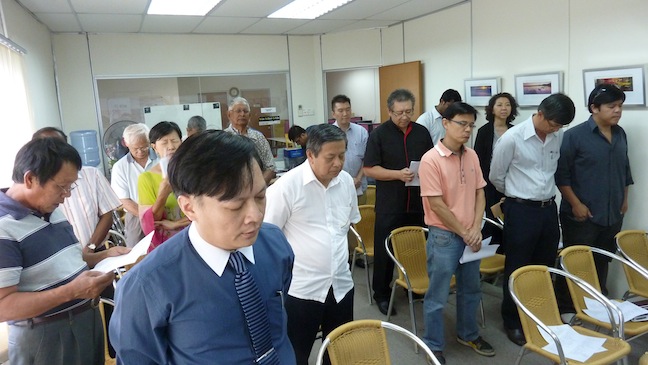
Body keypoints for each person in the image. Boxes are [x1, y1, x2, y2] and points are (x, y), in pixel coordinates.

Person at [110, 131, 296, 365]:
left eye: (260, 197)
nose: (255, 216)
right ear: (189, 208)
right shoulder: (147, 286)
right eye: (235, 205)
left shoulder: (274, 244)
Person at [0, 138, 127, 365]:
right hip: (45, 335)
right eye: (61, 187)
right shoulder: (4, 227)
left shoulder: (51, 209)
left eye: (71, 186)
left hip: (84, 320)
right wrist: (71, 292)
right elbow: (3, 307)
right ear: (30, 179)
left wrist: (103, 256)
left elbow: (65, 262)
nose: (67, 195)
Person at [265, 124, 359, 365]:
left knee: (339, 352)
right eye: (331, 157)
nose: (338, 163)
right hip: (302, 289)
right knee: (297, 353)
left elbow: (346, 227)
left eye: (342, 155)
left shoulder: (346, 182)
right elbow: (267, 237)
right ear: (310, 154)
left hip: (341, 284)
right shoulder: (287, 187)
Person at [489, 93, 575, 346]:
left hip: (548, 209)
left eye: (560, 126)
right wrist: (518, 196)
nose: (556, 129)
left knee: (544, 266)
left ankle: (540, 315)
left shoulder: (556, 137)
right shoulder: (511, 139)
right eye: (553, 124)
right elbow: (496, 177)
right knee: (517, 266)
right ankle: (513, 320)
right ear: (540, 113)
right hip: (520, 209)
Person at [419, 102, 495, 364]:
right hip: (444, 238)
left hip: (470, 236)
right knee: (438, 295)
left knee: (471, 289)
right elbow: (437, 204)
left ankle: (468, 333)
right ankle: (433, 344)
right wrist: (465, 231)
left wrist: (475, 228)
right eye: (461, 123)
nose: (467, 129)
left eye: (471, 125)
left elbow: (480, 193)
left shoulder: (472, 155)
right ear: (445, 123)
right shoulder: (431, 160)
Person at [555, 84, 632, 315]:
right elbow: (562, 175)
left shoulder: (620, 134)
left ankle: (596, 305)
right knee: (575, 262)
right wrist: (576, 204)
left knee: (601, 260)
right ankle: (567, 307)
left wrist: (624, 199)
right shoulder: (573, 136)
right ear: (594, 108)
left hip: (612, 213)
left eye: (620, 106)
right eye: (612, 106)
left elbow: (625, 170)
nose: (617, 111)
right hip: (581, 214)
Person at [364, 88, 434, 315]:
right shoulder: (379, 135)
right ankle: (382, 294)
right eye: (399, 112)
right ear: (389, 111)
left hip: (416, 201)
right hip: (390, 202)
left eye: (409, 111)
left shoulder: (422, 132)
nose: (404, 116)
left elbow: (430, 161)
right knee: (385, 251)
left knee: (415, 247)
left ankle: (412, 286)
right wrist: (397, 174)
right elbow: (368, 169)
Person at [32, 127, 123, 252]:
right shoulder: (36, 186)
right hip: (64, 259)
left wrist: (91, 247)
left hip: (96, 250)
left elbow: (107, 215)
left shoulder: (92, 174)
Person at [474, 93, 519, 246]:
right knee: (491, 221)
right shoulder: (484, 131)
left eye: (507, 104)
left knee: (510, 221)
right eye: (499, 105)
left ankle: (505, 255)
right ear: (492, 109)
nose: (503, 108)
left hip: (512, 183)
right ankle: (489, 258)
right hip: (488, 184)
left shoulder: (516, 131)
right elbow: (478, 161)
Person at [137, 121, 190, 251]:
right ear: (154, 147)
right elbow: (151, 222)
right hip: (167, 246)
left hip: (196, 238)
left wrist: (176, 224)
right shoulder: (146, 178)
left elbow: (206, 210)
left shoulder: (192, 171)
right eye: (164, 142)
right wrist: (163, 193)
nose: (171, 146)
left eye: (174, 140)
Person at [111, 123, 157, 247]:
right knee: (137, 254)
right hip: (136, 215)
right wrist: (148, 217)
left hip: (165, 211)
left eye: (144, 147)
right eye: (135, 148)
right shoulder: (120, 167)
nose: (140, 151)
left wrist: (158, 215)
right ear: (126, 144)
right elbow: (124, 200)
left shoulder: (160, 159)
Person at [225, 97, 276, 184]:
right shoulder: (223, 138)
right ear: (229, 115)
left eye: (245, 111)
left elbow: (271, 167)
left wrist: (258, 187)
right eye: (238, 111)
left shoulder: (258, 137)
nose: (242, 114)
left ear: (250, 116)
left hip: (258, 187)